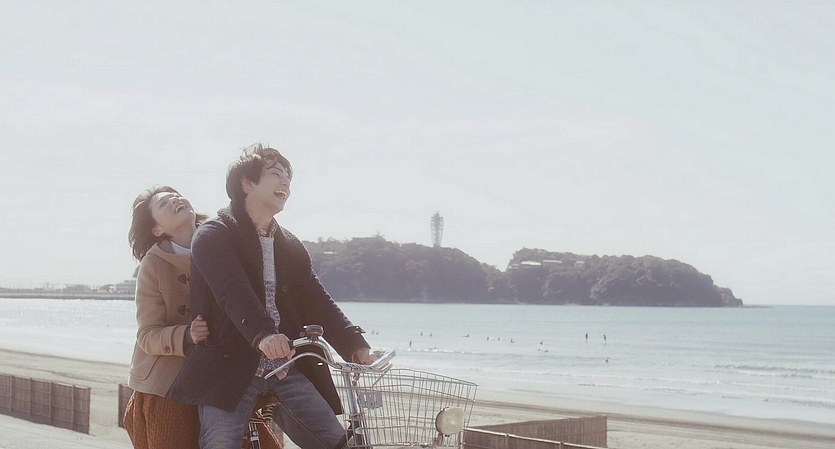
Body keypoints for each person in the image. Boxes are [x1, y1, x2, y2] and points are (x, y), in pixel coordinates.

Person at [170, 143, 374, 449]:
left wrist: (355, 344)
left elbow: (316, 299)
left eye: (289, 178)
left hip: (283, 368)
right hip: (228, 367)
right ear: (247, 183)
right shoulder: (213, 234)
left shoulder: (289, 244)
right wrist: (263, 334)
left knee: (338, 443)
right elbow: (232, 290)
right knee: (220, 443)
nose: (286, 184)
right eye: (276, 174)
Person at [125, 185, 282, 449]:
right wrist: (187, 335)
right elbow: (147, 335)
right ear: (157, 229)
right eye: (164, 203)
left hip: (219, 370)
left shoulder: (221, 241)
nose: (175, 200)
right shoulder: (153, 264)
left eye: (176, 195)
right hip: (168, 382)